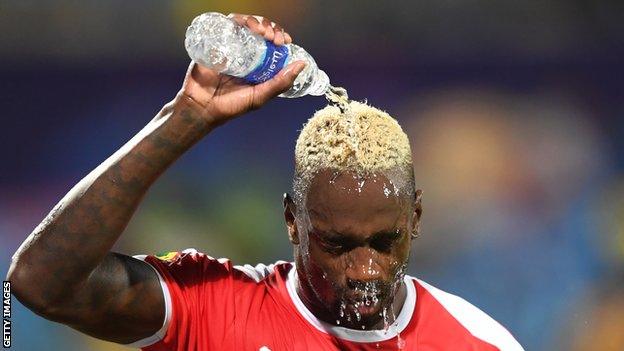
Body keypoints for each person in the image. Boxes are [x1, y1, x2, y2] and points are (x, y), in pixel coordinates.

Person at [7, 13, 524, 351]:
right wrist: (186, 117)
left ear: (415, 218)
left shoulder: (478, 343)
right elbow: (40, 283)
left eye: (385, 242)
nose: (364, 269)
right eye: (337, 244)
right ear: (292, 222)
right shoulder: (214, 312)